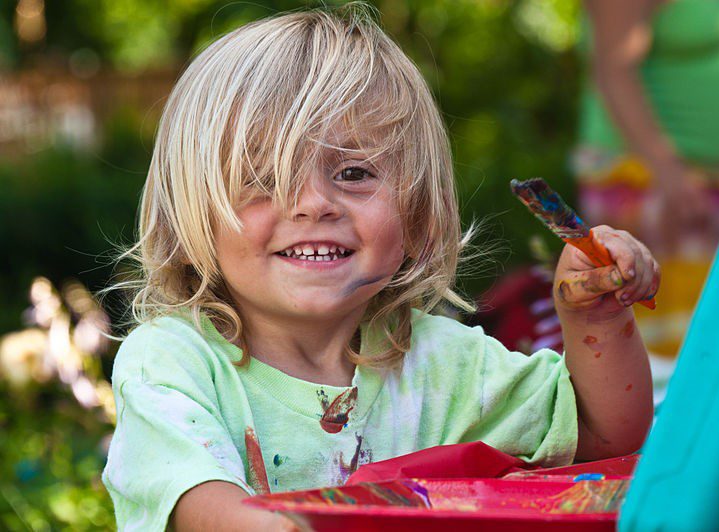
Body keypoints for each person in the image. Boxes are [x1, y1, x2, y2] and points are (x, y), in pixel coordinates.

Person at [101, 6, 660, 530]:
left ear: (418, 215)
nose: (313, 202)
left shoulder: (444, 364)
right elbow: (203, 508)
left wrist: (597, 323)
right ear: (191, 214)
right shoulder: (174, 363)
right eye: (264, 178)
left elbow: (604, 437)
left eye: (353, 173)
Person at [575, 0, 719, 356]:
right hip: (646, 182)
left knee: (715, 338)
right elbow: (612, 72)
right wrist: (669, 173)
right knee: (660, 353)